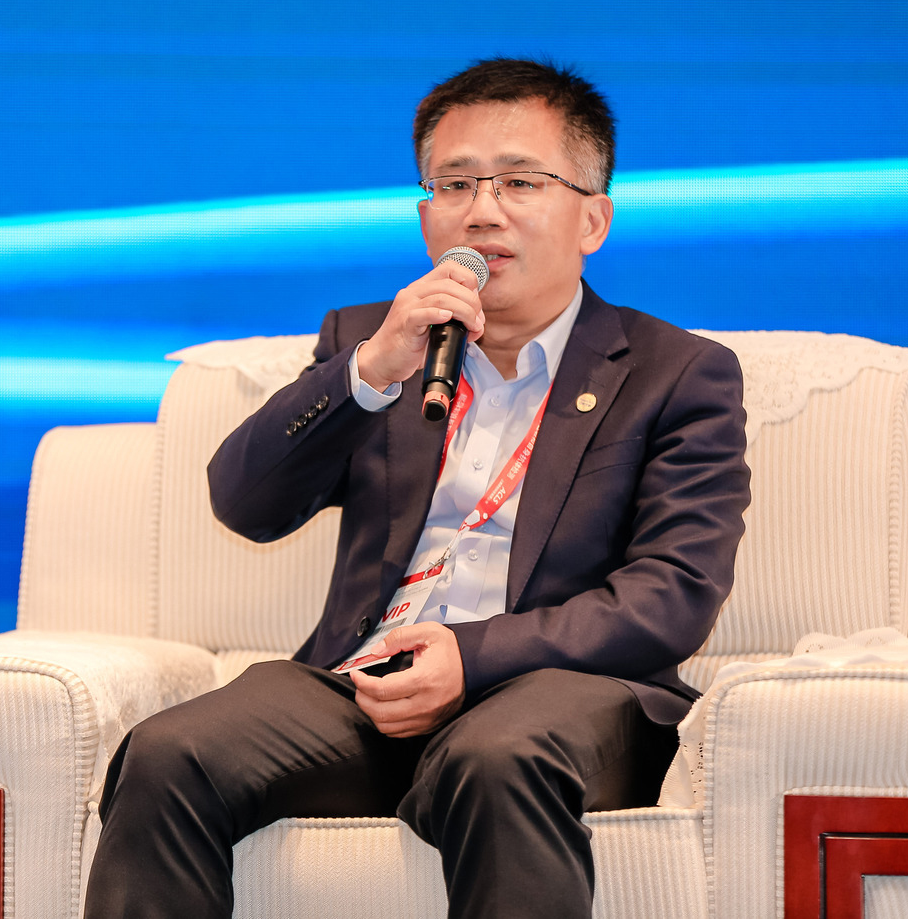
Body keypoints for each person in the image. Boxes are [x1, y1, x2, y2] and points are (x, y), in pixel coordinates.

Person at [83, 58, 750, 919]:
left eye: (519, 181)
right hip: (360, 684)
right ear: (425, 213)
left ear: (592, 217)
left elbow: (673, 595)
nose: (482, 210)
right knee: (168, 753)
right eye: (454, 183)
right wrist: (367, 372)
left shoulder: (676, 373)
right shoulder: (374, 341)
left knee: (498, 755)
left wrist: (471, 657)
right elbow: (245, 505)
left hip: (556, 693)